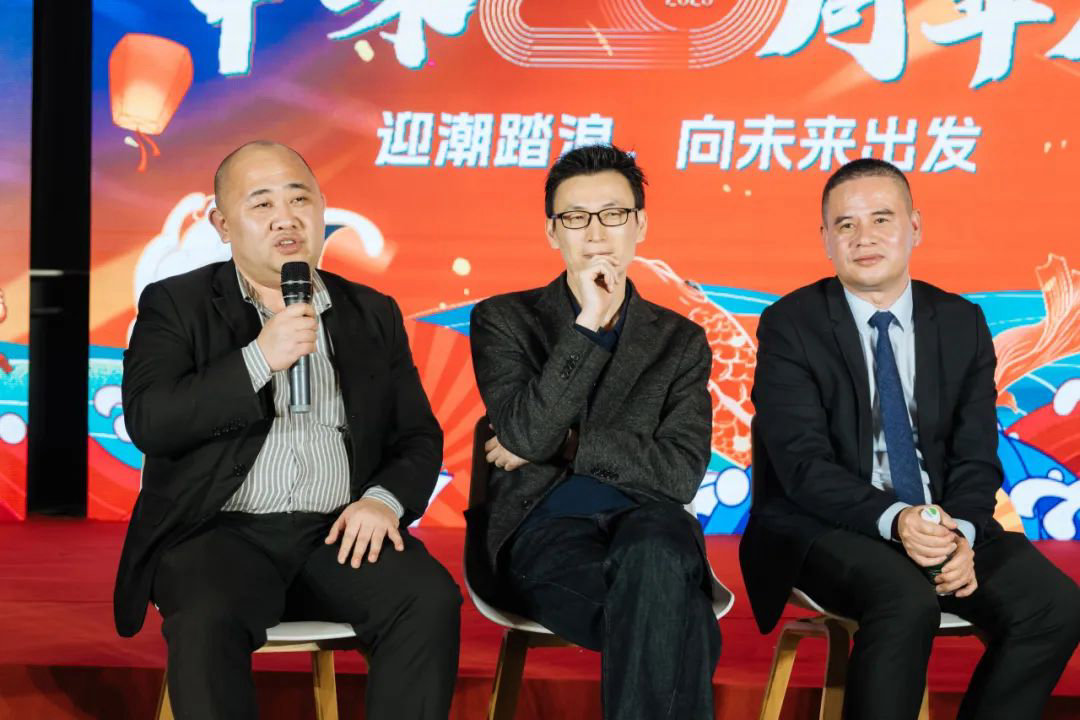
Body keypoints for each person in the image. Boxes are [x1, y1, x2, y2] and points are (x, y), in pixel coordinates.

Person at [113, 141, 461, 720]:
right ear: (223, 225)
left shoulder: (371, 311)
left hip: (338, 532)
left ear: (322, 209)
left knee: (427, 599)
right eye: (262, 204)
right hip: (217, 533)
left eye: (299, 199)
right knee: (206, 615)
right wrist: (257, 359)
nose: (285, 218)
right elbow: (152, 420)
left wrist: (383, 500)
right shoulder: (176, 303)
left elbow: (417, 437)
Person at [741, 157, 1080, 719]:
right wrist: (897, 520)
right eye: (845, 224)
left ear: (915, 227)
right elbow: (802, 467)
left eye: (882, 219)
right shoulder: (790, 324)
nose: (864, 237)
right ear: (825, 240)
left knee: (1054, 607)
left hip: (940, 522)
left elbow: (975, 455)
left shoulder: (961, 322)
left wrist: (961, 532)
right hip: (824, 525)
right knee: (904, 596)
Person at [469, 144, 727, 720]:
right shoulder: (504, 319)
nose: (595, 233)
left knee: (656, 550)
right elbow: (524, 433)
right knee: (680, 614)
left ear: (639, 225)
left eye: (612, 214)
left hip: (651, 520)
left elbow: (680, 474)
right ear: (551, 232)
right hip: (544, 529)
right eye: (575, 217)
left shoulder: (680, 341)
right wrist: (589, 322)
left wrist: (567, 445)